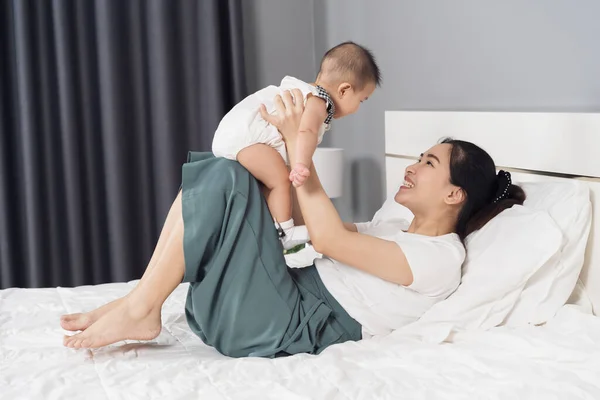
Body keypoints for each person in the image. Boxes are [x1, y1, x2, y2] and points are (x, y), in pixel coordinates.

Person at [61, 89, 525, 357]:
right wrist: (283, 161)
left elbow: (326, 236)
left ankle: (141, 305)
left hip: (288, 321)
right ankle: (143, 298)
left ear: (453, 193)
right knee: (233, 173)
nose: (411, 167)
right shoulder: (394, 229)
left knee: (225, 177)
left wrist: (296, 143)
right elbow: (310, 222)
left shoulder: (441, 259)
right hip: (285, 290)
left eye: (427, 162)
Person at [212, 41, 381, 249]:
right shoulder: (319, 101)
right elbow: (306, 131)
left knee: (270, 184)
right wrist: (301, 164)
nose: (358, 108)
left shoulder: (304, 92)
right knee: (281, 180)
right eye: (362, 100)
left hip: (235, 134)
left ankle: (273, 227)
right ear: (344, 90)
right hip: (245, 137)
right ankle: (285, 231)